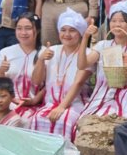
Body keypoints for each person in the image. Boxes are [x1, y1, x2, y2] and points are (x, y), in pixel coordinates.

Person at [30, 8, 92, 140]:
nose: (67, 34)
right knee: (36, 119)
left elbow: (79, 82)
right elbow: (36, 81)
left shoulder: (87, 53)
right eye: (63, 30)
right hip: (49, 104)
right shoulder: (51, 50)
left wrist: (61, 107)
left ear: (80, 33)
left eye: (72, 30)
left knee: (65, 121)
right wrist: (41, 60)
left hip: (75, 104)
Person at [78, 1, 127, 119]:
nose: (117, 24)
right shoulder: (103, 45)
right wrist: (85, 37)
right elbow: (82, 65)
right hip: (101, 95)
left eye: (122, 21)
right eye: (113, 21)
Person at [0, 12, 44, 119]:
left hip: (37, 105)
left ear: (38, 30)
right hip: (7, 104)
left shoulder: (45, 53)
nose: (23, 32)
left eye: (28, 28)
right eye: (19, 28)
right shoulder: (5, 53)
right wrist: (1, 70)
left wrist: (34, 100)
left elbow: (49, 85)